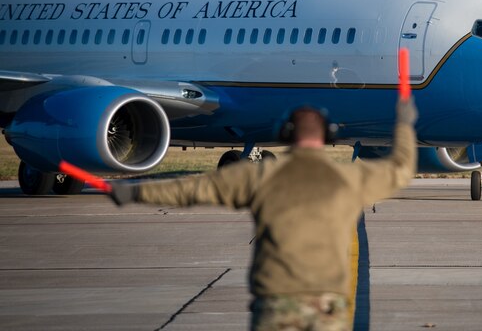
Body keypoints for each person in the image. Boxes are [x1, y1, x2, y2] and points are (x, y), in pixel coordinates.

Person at [109, 98, 418, 331]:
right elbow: (401, 169)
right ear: (326, 135)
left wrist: (134, 191)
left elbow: (190, 190)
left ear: (284, 133)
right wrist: (404, 124)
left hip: (275, 306)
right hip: (327, 307)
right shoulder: (349, 179)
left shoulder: (261, 177)